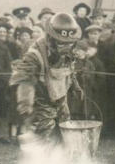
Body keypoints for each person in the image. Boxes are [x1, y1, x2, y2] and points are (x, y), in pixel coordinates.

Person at [8, 12, 84, 142]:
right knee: (45, 131)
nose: (66, 47)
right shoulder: (34, 54)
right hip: (40, 99)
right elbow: (25, 81)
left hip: (60, 98)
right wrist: (26, 105)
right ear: (51, 38)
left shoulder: (70, 50)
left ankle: (63, 160)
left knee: (65, 129)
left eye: (70, 43)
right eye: (62, 43)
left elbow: (70, 71)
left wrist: (75, 87)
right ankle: (39, 160)